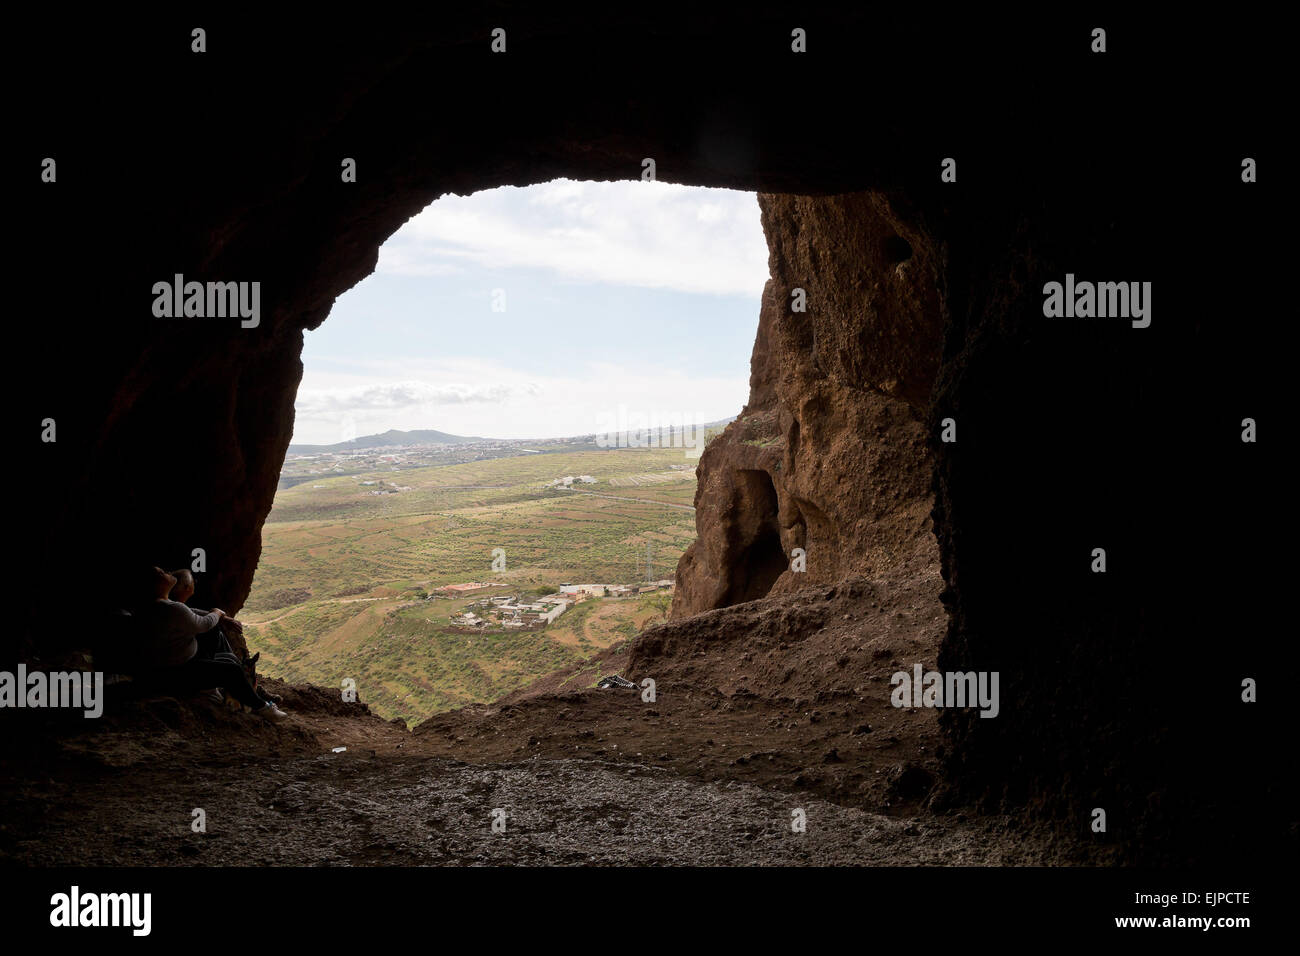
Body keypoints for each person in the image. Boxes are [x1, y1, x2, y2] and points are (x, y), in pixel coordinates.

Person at [136, 567, 286, 721]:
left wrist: (220, 617)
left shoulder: (161, 606)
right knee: (231, 669)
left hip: (170, 667)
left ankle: (221, 686)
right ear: (156, 584)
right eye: (161, 573)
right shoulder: (171, 608)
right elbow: (202, 623)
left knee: (223, 650)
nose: (166, 572)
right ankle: (262, 707)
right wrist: (218, 613)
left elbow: (191, 613)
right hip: (176, 673)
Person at [168, 569, 282, 706]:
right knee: (215, 633)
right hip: (184, 667)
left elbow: (197, 614)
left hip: (185, 659)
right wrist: (218, 613)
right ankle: (252, 694)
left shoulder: (176, 606)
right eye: (193, 581)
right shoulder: (175, 610)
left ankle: (250, 686)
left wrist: (223, 618)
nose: (195, 583)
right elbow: (204, 623)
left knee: (220, 637)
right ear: (187, 588)